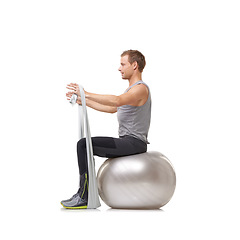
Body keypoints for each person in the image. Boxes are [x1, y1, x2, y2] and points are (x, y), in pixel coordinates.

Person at [61, 50, 151, 209]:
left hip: (134, 143)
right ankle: (84, 194)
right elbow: (111, 108)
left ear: (134, 65)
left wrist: (86, 93)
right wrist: (84, 101)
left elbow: (116, 101)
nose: (119, 68)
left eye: (123, 64)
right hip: (127, 141)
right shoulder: (131, 91)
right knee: (84, 144)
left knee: (83, 145)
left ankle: (84, 196)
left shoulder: (140, 89)